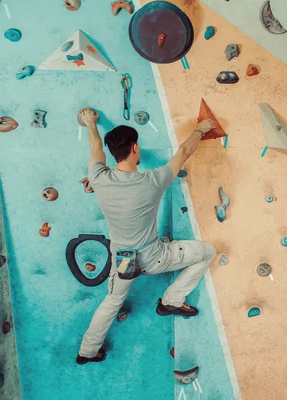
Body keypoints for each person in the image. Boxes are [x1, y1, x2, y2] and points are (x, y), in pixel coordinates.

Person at [76, 109, 218, 365]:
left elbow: (94, 145)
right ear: (135, 148)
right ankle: (172, 300)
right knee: (207, 252)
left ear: (112, 154)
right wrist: (201, 128)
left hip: (123, 263)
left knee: (112, 302)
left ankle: (87, 352)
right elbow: (183, 153)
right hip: (156, 259)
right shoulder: (153, 180)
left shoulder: (98, 177)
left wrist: (90, 122)